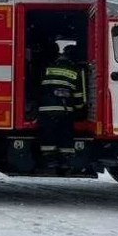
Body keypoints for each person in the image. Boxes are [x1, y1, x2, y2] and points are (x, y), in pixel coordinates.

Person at [37, 42, 85, 171]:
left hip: (46, 109)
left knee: (48, 136)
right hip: (65, 110)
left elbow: (37, 88)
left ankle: (50, 162)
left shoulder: (46, 67)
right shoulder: (74, 71)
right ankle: (65, 162)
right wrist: (80, 109)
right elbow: (79, 95)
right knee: (65, 136)